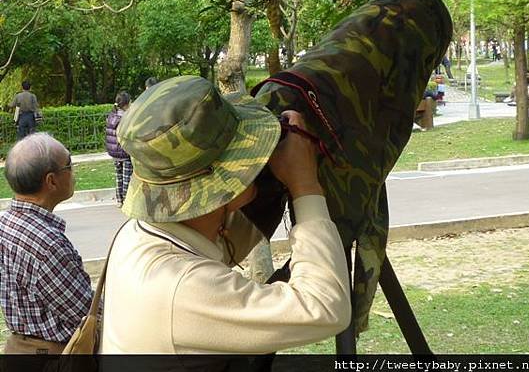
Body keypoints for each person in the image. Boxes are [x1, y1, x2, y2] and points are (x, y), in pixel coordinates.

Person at [100, 76, 351, 355]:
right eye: (247, 152)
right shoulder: (182, 287)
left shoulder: (139, 234)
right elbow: (325, 308)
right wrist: (305, 185)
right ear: (221, 181)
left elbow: (234, 234)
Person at [0, 133, 93, 354]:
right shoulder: (47, 245)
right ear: (51, 181)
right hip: (52, 358)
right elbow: (88, 314)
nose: (73, 171)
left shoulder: (4, 222)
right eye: (69, 165)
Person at [105, 91, 132, 208]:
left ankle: (119, 199)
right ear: (126, 104)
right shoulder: (125, 118)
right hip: (124, 152)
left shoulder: (111, 115)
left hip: (114, 152)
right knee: (127, 177)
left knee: (118, 176)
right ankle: (126, 200)